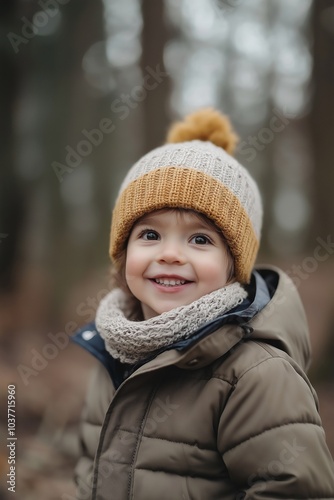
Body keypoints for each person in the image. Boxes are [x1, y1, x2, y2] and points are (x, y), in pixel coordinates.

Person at [72, 108, 334, 500]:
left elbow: (294, 489)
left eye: (200, 239)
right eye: (149, 234)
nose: (171, 254)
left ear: (234, 266)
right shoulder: (114, 352)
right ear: (123, 252)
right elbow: (87, 472)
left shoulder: (256, 375)